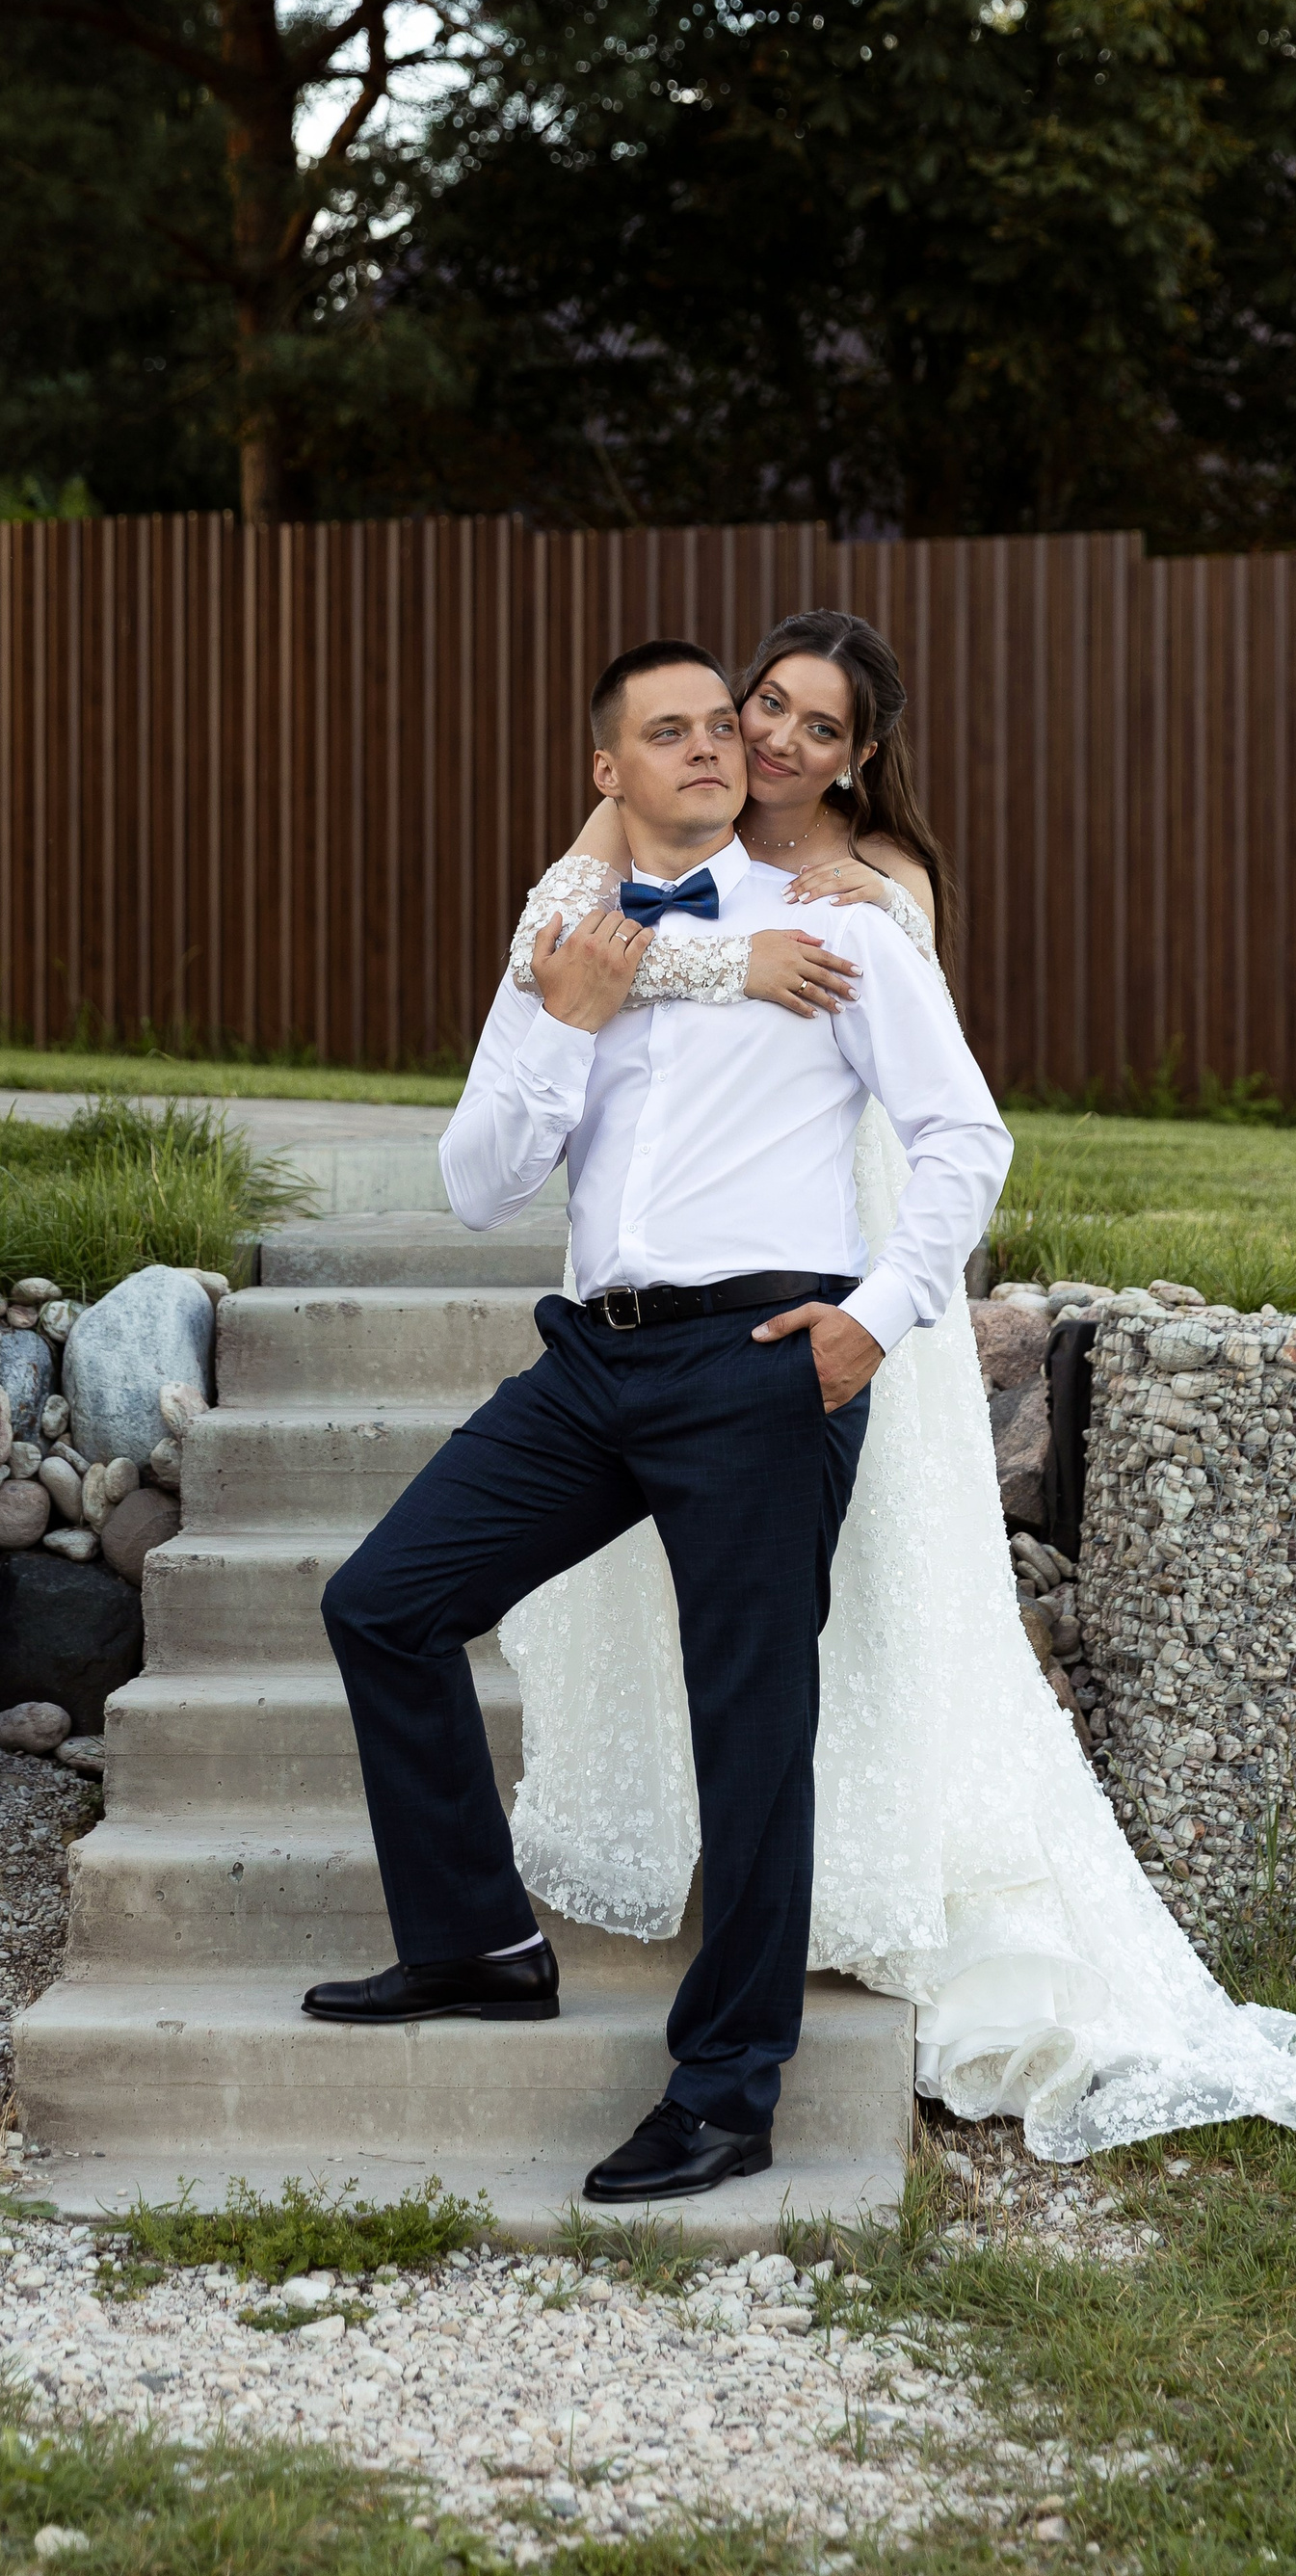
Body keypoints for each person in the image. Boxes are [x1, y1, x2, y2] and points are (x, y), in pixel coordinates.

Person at [496, 608, 1296, 2163]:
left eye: (817, 726)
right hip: (684, 1268)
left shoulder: (874, 881)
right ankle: (742, 1869)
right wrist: (725, 953)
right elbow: (555, 938)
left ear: (860, 754)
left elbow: (944, 1108)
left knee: (861, 1588)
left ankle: (863, 1883)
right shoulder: (668, 831)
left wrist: (875, 1310)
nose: (776, 739)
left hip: (836, 1253)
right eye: (764, 704)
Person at [307, 635, 1013, 2205]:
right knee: (383, 1603)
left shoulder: (838, 926)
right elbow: (476, 1183)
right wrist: (565, 1018)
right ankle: (478, 1943)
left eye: (722, 724)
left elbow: (965, 1134)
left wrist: (875, 1315)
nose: (712, 746)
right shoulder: (566, 940)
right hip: (592, 1363)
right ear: (607, 771)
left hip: (763, 1362)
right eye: (671, 730)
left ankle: (728, 2087)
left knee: (750, 1720)